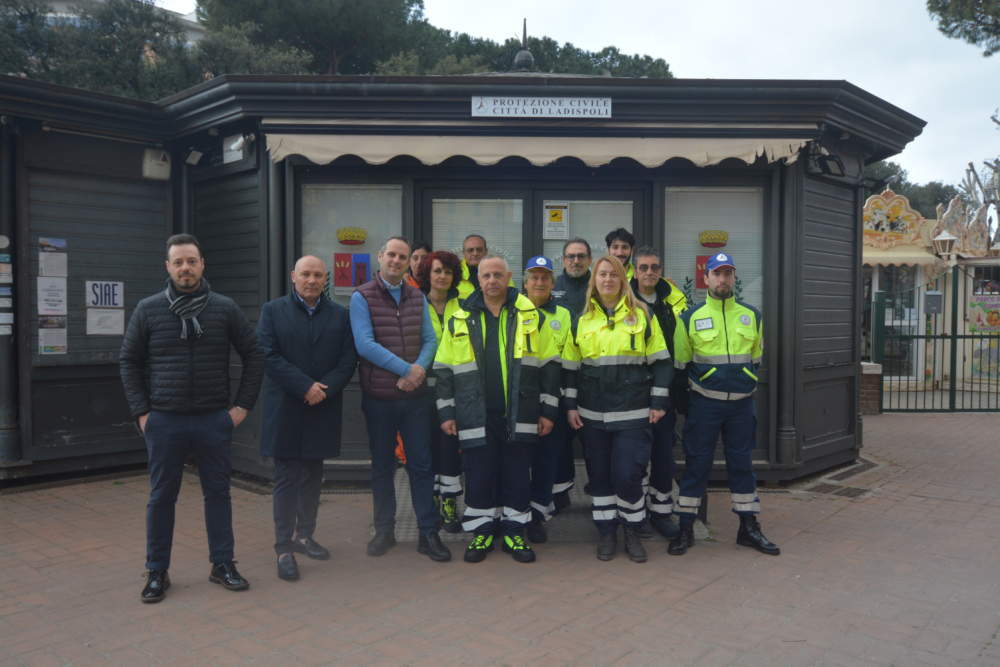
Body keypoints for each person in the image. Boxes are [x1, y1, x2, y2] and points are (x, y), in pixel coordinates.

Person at [120, 233, 264, 603]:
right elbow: (129, 362)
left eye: (192, 261)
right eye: (179, 262)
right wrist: (142, 413)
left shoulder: (224, 308)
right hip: (164, 421)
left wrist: (241, 408)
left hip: (213, 419)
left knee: (218, 494)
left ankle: (223, 564)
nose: (186, 268)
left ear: (202, 265)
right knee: (161, 497)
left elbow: (254, 355)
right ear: (168, 267)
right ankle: (156, 572)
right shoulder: (149, 309)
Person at [434, 255, 560, 563]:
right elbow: (444, 370)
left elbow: (550, 366)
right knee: (479, 473)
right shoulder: (460, 318)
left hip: (521, 411)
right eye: (486, 275)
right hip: (474, 412)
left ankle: (515, 532)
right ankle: (482, 532)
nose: (492, 281)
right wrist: (447, 413)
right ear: (478, 279)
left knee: (517, 474)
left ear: (509, 277)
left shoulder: (531, 316)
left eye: (498, 275)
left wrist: (548, 411)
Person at [562, 255, 672, 563]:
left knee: (627, 476)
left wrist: (658, 402)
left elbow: (662, 362)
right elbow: (570, 369)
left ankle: (632, 531)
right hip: (593, 415)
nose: (607, 279)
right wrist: (570, 406)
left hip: (633, 414)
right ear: (593, 281)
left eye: (613, 274)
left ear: (623, 280)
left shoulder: (642, 315)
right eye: (602, 275)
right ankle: (607, 532)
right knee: (600, 478)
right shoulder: (581, 321)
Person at [669, 252, 780, 557]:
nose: (722, 279)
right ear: (706, 279)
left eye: (727, 273)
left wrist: (744, 378)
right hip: (704, 405)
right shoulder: (689, 318)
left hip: (742, 407)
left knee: (742, 466)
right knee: (696, 467)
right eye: (717, 274)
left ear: (734, 278)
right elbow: (680, 365)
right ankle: (685, 528)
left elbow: (756, 358)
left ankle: (748, 528)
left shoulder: (751, 315)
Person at [350, 236, 451, 562]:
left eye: (402, 256)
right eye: (391, 254)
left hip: (416, 400)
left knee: (421, 465)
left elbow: (430, 339)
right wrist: (407, 370)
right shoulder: (361, 297)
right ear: (380, 257)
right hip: (379, 397)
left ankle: (427, 532)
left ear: (410, 262)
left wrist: (419, 370)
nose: (396, 260)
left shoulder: (416, 296)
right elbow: (364, 345)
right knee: (382, 466)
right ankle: (384, 530)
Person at [257, 255, 357, 581]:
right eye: (305, 274)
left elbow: (347, 360)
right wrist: (304, 386)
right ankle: (283, 547)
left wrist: (323, 391)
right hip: (286, 406)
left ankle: (305, 535)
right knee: (286, 478)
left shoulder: (340, 316)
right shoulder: (272, 311)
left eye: (317, 275)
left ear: (325, 278)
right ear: (293, 276)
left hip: (322, 407)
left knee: (314, 476)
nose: (311, 280)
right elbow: (268, 355)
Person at [629, 247, 687, 540]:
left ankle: (662, 512)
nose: (649, 273)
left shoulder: (673, 301)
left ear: (660, 271)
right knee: (636, 456)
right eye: (644, 268)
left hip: (667, 389)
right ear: (635, 271)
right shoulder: (623, 301)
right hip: (634, 390)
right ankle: (635, 513)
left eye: (654, 267)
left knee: (663, 455)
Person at [520, 256, 572, 544]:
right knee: (518, 460)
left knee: (546, 460)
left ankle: (538, 515)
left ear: (553, 283)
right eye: (534, 277)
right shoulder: (513, 311)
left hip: (553, 399)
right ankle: (517, 511)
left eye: (545, 278)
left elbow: (566, 360)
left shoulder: (563, 315)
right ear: (525, 283)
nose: (539, 282)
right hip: (520, 400)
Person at [417, 249, 464, 533]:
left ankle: (449, 502)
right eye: (437, 271)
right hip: (421, 390)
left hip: (456, 388)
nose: (442, 276)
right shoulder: (414, 304)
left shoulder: (465, 305)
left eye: (447, 271)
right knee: (424, 448)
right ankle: (429, 500)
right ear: (427, 275)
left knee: (449, 447)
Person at [549, 238, 593, 511]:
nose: (575, 261)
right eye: (570, 256)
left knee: (593, 440)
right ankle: (561, 490)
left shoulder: (599, 284)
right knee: (561, 440)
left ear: (589, 259)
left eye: (581, 256)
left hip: (591, 374)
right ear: (563, 260)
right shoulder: (553, 287)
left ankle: (599, 487)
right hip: (560, 374)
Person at [456, 234, 513, 300]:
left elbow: (511, 296)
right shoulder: (455, 272)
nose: (475, 253)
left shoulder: (500, 270)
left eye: (479, 250)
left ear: (486, 251)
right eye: (470, 250)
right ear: (464, 253)